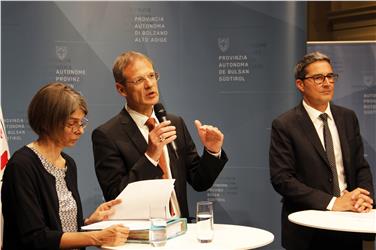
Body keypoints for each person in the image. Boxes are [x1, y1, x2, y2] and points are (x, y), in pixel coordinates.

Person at [92, 51, 228, 219]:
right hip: (140, 237)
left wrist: (212, 152)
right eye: (139, 80)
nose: (149, 84)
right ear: (121, 89)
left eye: (151, 75)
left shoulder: (174, 122)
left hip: (179, 230)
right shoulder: (107, 135)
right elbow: (115, 197)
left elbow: (200, 182)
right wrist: (150, 156)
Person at [1, 83, 129, 250]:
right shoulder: (22, 166)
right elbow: (35, 238)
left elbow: (61, 227)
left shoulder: (68, 164)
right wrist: (95, 237)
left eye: (82, 122)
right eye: (72, 123)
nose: (80, 130)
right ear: (48, 122)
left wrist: (90, 222)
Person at [269, 51, 374, 250]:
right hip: (307, 230)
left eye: (330, 76)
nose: (327, 83)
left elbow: (361, 166)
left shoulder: (347, 118)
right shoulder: (285, 124)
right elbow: (282, 179)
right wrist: (333, 202)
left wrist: (364, 197)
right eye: (318, 78)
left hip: (349, 226)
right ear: (300, 85)